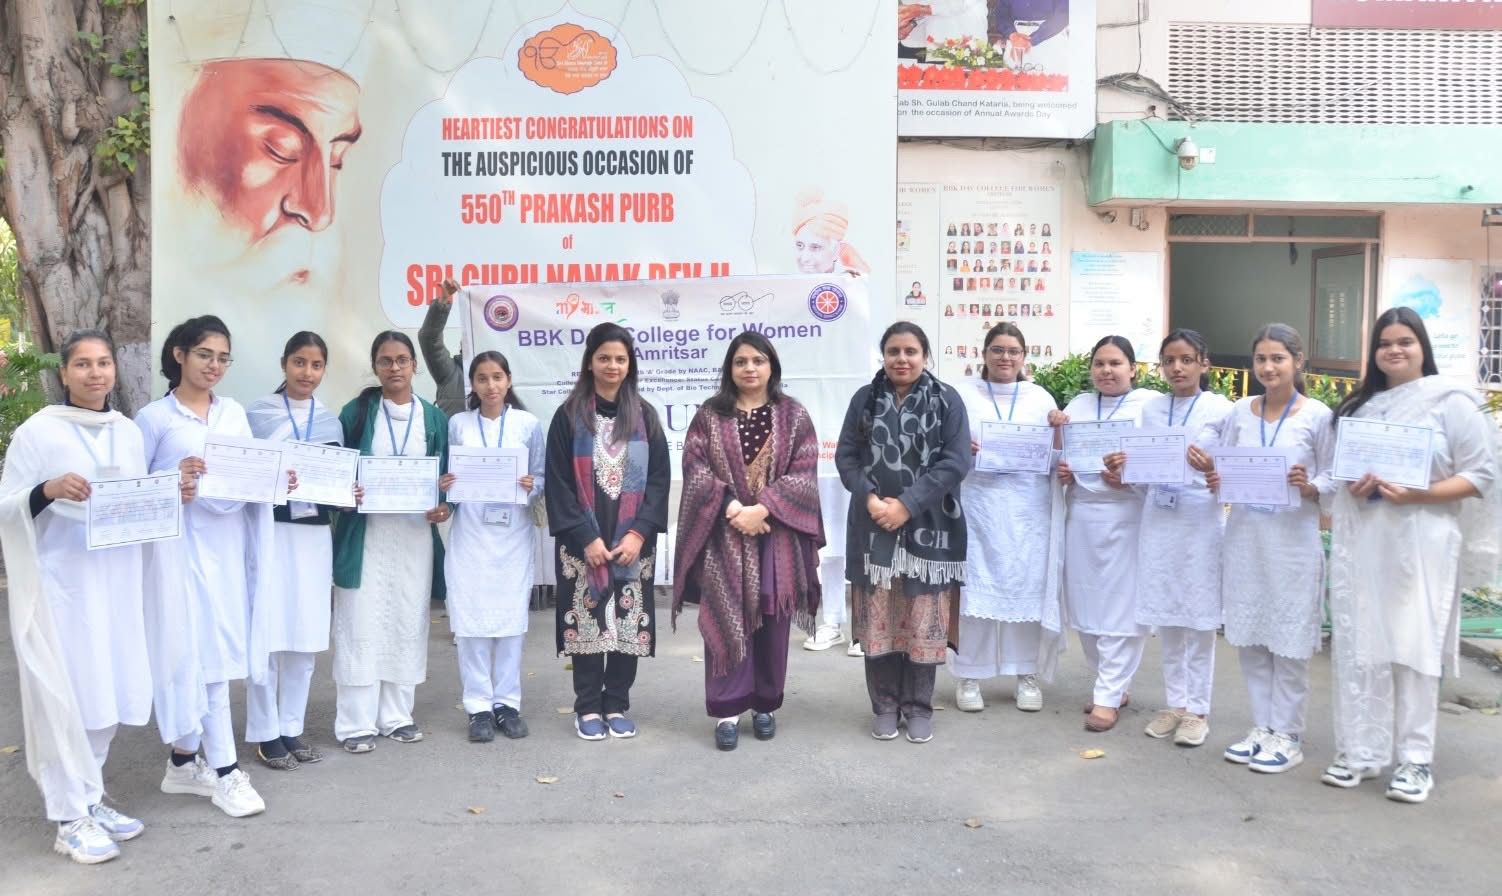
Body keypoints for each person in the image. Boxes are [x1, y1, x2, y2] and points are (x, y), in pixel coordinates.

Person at [0, 330, 163, 863]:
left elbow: (139, 502)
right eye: (83, 364)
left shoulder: (128, 432)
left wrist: (172, 494)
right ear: (64, 372)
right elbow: (6, 506)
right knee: (67, 696)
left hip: (117, 582)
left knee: (108, 691)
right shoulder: (38, 432)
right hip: (65, 588)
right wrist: (46, 490)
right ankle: (68, 818)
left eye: (104, 362)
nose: (96, 373)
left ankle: (90, 797)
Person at [1324, 308, 1499, 802]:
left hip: (1424, 540)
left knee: (1415, 648)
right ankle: (1361, 750)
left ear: (1423, 347)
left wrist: (1419, 493)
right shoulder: (1360, 407)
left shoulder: (1452, 401)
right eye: (1385, 343)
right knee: (1363, 645)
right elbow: (1342, 474)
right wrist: (1354, 485)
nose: (1394, 350)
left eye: (1405, 341)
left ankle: (1415, 760)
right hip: (1366, 540)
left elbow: (1480, 475)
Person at [136, 315, 279, 817]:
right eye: (204, 355)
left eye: (222, 358)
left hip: (228, 553)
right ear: (179, 355)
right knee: (203, 659)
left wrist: (279, 478)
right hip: (180, 557)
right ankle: (225, 771)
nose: (214, 365)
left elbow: (249, 474)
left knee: (216, 652)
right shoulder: (155, 419)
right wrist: (171, 479)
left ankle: (181, 763)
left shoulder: (233, 413)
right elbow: (132, 493)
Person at [674, 333, 826, 751]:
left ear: (771, 366)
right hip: (725, 535)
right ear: (730, 368)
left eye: (758, 360)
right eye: (741, 361)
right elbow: (695, 468)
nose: (749, 368)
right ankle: (727, 710)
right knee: (728, 612)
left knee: (772, 622)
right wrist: (732, 508)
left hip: (777, 537)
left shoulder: (793, 415)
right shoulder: (710, 415)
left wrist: (764, 509)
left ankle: (765, 705)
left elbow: (804, 472)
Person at [1196, 323, 1334, 773]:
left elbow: (1336, 475)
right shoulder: (1240, 412)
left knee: (1288, 640)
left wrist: (1310, 486)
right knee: (1253, 638)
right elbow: (1224, 467)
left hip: (1292, 543)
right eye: (1261, 359)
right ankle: (1262, 726)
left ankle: (1288, 734)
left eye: (1278, 358)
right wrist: (1217, 479)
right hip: (1246, 538)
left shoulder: (1318, 416)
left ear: (1298, 362)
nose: (1268, 367)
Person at [836, 322, 969, 743]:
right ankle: (885, 706)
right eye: (893, 351)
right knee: (880, 620)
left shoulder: (947, 400)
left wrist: (907, 505)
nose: (901, 359)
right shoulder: (865, 399)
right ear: (884, 356)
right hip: (873, 526)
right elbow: (847, 457)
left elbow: (955, 461)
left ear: (925, 356)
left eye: (910, 351)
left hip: (931, 528)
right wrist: (872, 499)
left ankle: (919, 707)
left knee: (923, 619)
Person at [545, 323, 671, 740]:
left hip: (632, 543)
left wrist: (638, 534)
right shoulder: (569, 416)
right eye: (604, 358)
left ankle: (616, 702)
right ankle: (587, 707)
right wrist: (587, 538)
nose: (612, 366)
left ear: (630, 364)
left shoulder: (644, 416)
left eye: (620, 358)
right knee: (587, 623)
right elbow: (559, 482)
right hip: (584, 543)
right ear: (590, 362)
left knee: (626, 624)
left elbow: (658, 482)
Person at [331, 331, 451, 753]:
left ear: (415, 365)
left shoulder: (433, 418)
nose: (394, 367)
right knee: (359, 622)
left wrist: (444, 505)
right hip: (365, 536)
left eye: (402, 359)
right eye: (385, 360)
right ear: (375, 367)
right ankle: (355, 723)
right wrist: (346, 491)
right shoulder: (357, 412)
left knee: (406, 619)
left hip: (414, 537)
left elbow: (447, 478)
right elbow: (338, 470)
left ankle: (397, 716)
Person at [1123, 330, 1233, 747]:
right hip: (1159, 518)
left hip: (1200, 519)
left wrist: (1211, 469)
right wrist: (1124, 468)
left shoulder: (1222, 410)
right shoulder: (1151, 409)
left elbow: (1233, 472)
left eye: (1187, 359)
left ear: (1204, 363)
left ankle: (1198, 710)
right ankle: (1176, 703)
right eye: (1169, 360)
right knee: (1168, 614)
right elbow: (1140, 475)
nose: (1177, 368)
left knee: (1198, 616)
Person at [244, 332, 347, 770]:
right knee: (268, 635)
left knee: (305, 635)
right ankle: (265, 732)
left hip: (313, 538)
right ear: (284, 363)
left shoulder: (330, 422)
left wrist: (350, 493)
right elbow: (242, 475)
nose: (307, 373)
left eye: (316, 365)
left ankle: (291, 727)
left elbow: (338, 487)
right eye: (299, 363)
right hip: (270, 535)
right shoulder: (256, 416)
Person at [950, 324, 1063, 714]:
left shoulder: (1040, 398)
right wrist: (960, 448)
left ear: (1024, 357)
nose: (1005, 357)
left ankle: (1026, 673)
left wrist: (1059, 434)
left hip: (1027, 510)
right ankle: (969, 674)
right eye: (997, 350)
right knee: (973, 590)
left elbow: (1055, 457)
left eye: (1013, 351)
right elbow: (943, 447)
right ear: (984, 354)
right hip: (977, 505)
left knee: (1025, 588)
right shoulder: (961, 395)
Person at [1053, 335, 1157, 733]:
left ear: (1133, 368)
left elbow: (1163, 463)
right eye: (1099, 363)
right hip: (1082, 517)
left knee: (1121, 608)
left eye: (1115, 363)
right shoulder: (1077, 407)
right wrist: (1064, 468)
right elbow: (1059, 457)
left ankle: (1107, 696)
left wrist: (1133, 476)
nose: (1107, 370)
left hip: (1128, 515)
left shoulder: (1150, 407)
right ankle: (1111, 684)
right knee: (1086, 607)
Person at [442, 351, 545, 743]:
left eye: (497, 377)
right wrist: (447, 485)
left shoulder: (527, 424)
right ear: (472, 383)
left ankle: (507, 703)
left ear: (509, 380)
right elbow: (449, 476)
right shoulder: (458, 424)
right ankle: (478, 707)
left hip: (512, 536)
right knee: (471, 623)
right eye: (482, 378)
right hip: (471, 535)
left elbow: (541, 476)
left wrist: (531, 485)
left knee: (510, 622)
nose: (490, 385)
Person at [417, 277, 467, 416]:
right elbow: (429, 339)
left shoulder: (500, 374)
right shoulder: (450, 372)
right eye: (467, 336)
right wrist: (443, 301)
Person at [793, 188, 870, 275]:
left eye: (815, 247)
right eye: (799, 246)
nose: (805, 258)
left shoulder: (850, 280)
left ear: (836, 251)